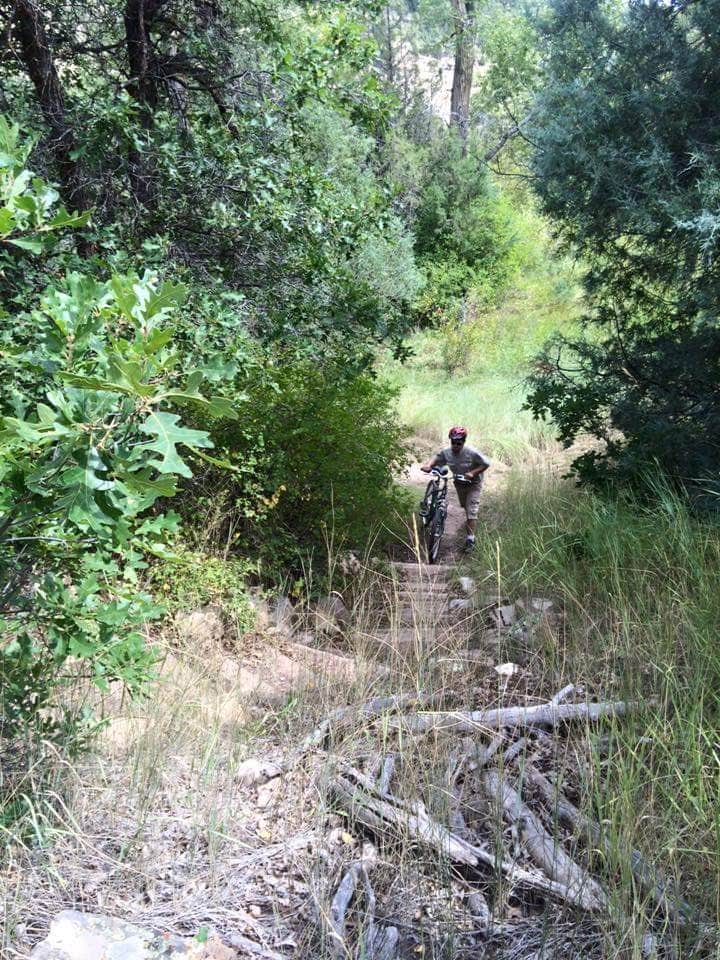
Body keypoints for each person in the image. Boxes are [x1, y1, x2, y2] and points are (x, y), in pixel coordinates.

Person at [421, 426, 490, 550]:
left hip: (474, 484)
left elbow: (486, 463)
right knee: (465, 506)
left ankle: (470, 540)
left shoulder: (472, 452)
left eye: (459, 443)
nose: (456, 445)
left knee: (471, 511)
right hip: (459, 484)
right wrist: (428, 465)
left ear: (464, 441)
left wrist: (473, 473)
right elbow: (437, 458)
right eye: (453, 442)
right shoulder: (447, 452)